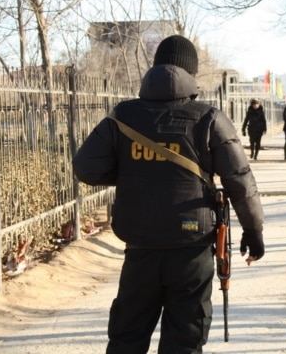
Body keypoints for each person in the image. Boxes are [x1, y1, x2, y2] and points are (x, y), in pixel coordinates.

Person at [72, 35, 265, 354]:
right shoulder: (209, 118)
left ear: (155, 67)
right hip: (192, 250)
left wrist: (132, 171)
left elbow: (85, 168)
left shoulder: (123, 116)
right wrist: (254, 232)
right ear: (192, 72)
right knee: (184, 341)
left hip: (140, 250)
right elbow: (239, 182)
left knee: (127, 338)